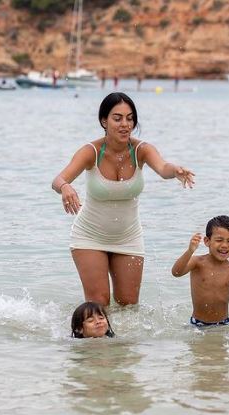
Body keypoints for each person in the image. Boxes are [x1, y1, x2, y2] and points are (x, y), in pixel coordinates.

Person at [52, 92, 195, 306]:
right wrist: (65, 187)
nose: (125, 124)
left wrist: (175, 170)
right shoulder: (91, 151)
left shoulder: (142, 150)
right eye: (117, 118)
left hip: (129, 237)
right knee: (99, 302)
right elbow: (58, 179)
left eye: (130, 118)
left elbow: (163, 167)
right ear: (104, 121)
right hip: (89, 236)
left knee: (128, 306)